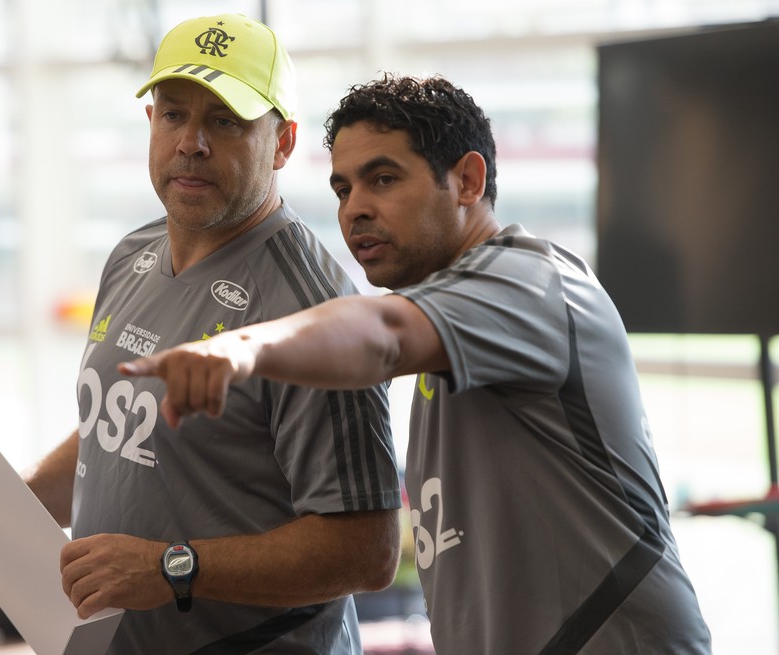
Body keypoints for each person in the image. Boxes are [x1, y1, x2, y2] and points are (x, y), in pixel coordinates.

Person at [119, 74, 714, 654]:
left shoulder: (530, 279)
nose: (355, 210)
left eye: (383, 179)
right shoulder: (452, 328)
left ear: (467, 180)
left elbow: (384, 331)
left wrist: (241, 348)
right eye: (343, 189)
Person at [0, 14, 403, 655]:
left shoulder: (313, 310)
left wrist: (174, 567)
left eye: (225, 121)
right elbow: (118, 430)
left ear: (283, 143)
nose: (192, 143)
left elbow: (366, 551)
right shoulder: (133, 253)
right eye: (174, 114)